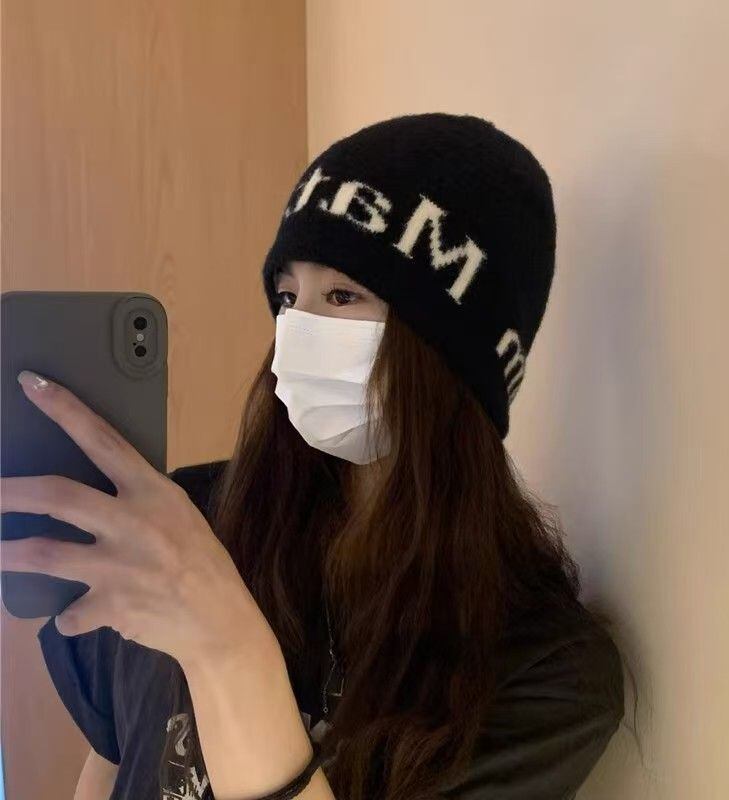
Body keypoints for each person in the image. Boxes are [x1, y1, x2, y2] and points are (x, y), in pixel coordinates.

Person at [37, 112, 625, 800]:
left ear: (454, 354)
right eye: (289, 297)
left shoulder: (544, 671)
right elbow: (112, 755)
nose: (297, 331)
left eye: (343, 295)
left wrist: (224, 644)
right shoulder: (190, 520)